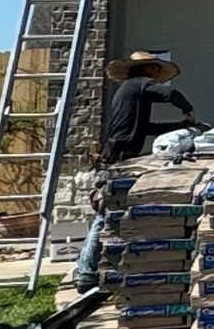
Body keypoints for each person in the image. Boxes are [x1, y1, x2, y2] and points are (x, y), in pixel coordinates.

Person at [76, 52, 199, 285]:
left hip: (117, 155)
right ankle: (85, 271)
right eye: (155, 71)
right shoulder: (139, 84)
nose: (157, 76)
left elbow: (146, 128)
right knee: (104, 213)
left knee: (108, 213)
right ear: (148, 69)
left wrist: (179, 126)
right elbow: (170, 94)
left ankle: (89, 267)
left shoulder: (130, 94)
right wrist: (188, 110)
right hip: (117, 158)